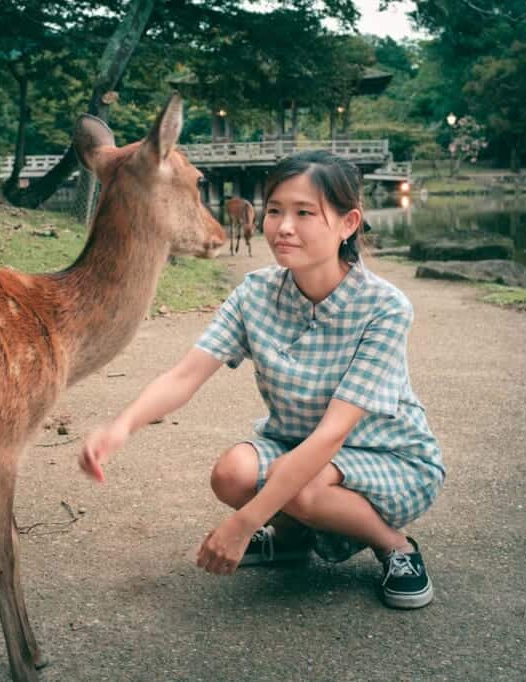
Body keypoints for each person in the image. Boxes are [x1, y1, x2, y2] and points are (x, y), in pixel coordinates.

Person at [79, 150, 444, 609]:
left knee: (307, 489)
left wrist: (246, 522)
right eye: (274, 211)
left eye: (304, 213)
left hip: (388, 457)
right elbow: (186, 374)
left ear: (349, 223)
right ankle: (293, 542)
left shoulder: (384, 308)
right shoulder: (255, 293)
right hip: (300, 450)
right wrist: (121, 426)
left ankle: (396, 547)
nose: (283, 226)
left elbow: (333, 434)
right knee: (232, 474)